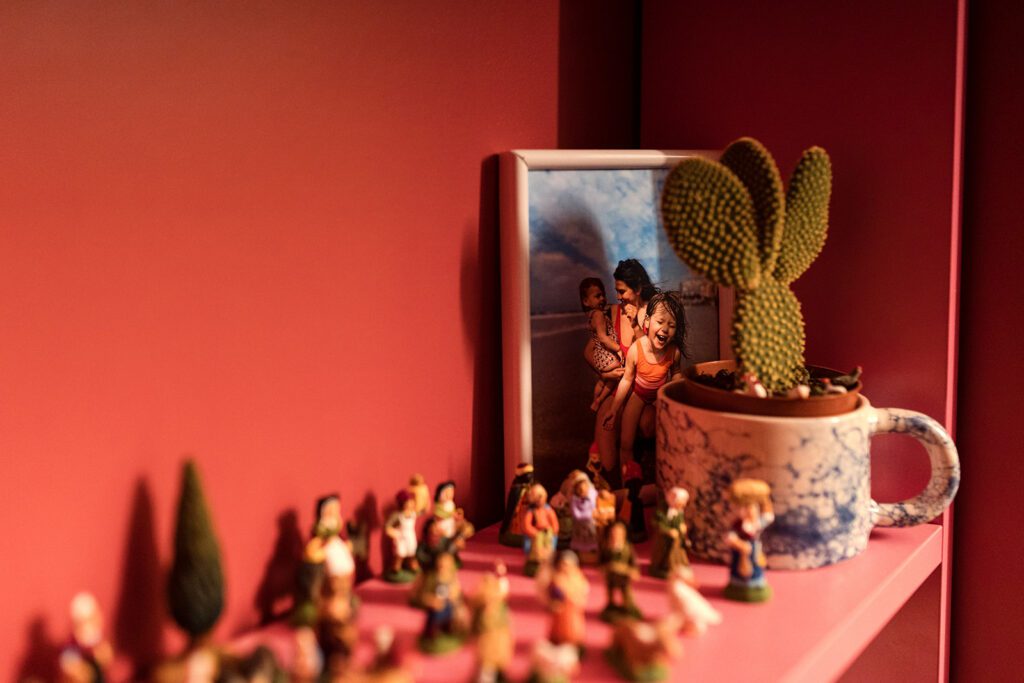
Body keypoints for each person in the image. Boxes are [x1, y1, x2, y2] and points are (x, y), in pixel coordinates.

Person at [602, 291, 687, 476]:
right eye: (660, 322)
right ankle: (628, 478)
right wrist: (614, 409)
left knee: (668, 436)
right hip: (638, 395)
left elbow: (677, 373)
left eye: (671, 325)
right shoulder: (636, 349)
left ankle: (665, 472)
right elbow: (627, 379)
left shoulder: (674, 352)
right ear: (647, 322)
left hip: (659, 396)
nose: (665, 329)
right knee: (626, 442)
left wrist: (676, 397)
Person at [591, 259, 659, 478]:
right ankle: (611, 480)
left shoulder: (656, 314)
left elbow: (652, 358)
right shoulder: (613, 312)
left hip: (647, 390)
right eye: (616, 291)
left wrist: (635, 325)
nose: (618, 297)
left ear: (638, 288)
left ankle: (635, 483)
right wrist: (604, 372)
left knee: (647, 424)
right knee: (605, 416)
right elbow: (588, 350)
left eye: (622, 291)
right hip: (622, 385)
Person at [579, 277, 623, 411]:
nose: (603, 298)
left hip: (599, 358)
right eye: (597, 296)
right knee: (618, 372)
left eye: (603, 295)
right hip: (606, 356)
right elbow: (603, 338)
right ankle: (600, 400)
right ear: (586, 301)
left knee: (603, 381)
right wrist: (619, 349)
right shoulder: (598, 315)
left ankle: (596, 400)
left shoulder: (592, 316)